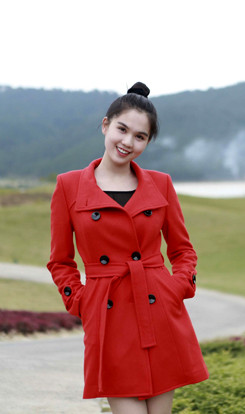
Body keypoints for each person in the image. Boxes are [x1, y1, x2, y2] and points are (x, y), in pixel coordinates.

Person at [47, 82, 208, 414]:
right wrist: (81, 301)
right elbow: (60, 260)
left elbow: (182, 250)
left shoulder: (161, 184)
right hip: (109, 316)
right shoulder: (69, 186)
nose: (127, 142)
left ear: (147, 142)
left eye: (140, 136)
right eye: (122, 129)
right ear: (105, 125)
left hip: (159, 310)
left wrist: (176, 287)